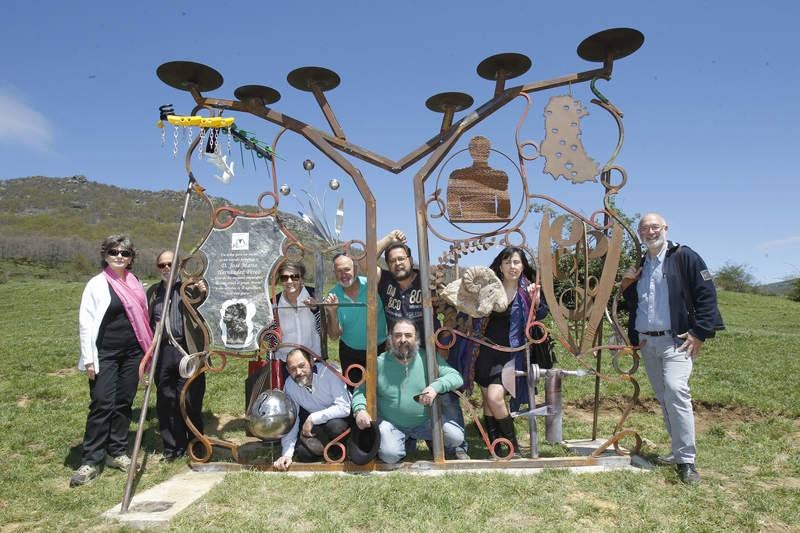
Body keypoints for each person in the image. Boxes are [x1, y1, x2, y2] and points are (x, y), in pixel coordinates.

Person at [622, 213, 723, 484]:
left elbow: (706, 295)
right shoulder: (641, 264)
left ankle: (687, 462)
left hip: (676, 340)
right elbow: (635, 304)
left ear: (665, 228)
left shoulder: (684, 257)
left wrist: (699, 332)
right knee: (664, 396)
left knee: (676, 390)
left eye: (655, 227)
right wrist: (627, 285)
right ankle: (677, 451)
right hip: (647, 342)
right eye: (644, 228)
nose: (650, 231)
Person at [374, 229, 469, 459]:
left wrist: (444, 345)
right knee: (402, 391)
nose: (397, 264)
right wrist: (389, 239)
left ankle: (457, 447)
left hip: (429, 349)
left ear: (410, 259)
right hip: (398, 348)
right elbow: (364, 261)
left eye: (401, 258)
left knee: (445, 393)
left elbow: (449, 313)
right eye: (392, 260)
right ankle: (407, 436)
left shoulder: (426, 282)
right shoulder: (384, 280)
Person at [71, 235, 153, 487]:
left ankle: (116, 451)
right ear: (105, 254)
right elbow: (86, 323)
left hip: (132, 353)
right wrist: (88, 359)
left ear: (131, 258)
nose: (119, 256)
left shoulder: (136, 283)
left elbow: (143, 317)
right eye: (114, 251)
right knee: (102, 404)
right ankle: (90, 459)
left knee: (123, 403)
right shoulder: (96, 284)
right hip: (104, 353)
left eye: (125, 253)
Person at [460, 246, 549, 458]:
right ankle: (495, 447)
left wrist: (535, 300)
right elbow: (471, 311)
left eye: (516, 262)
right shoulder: (490, 287)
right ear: (500, 266)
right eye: (507, 262)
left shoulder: (528, 289)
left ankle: (512, 446)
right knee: (488, 402)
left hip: (511, 354)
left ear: (523, 266)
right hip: (484, 352)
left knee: (495, 397)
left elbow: (541, 314)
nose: (512, 266)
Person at [351, 319, 466, 464]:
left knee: (456, 437)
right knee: (390, 456)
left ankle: (428, 442)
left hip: (425, 422)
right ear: (391, 339)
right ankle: (401, 442)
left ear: (416, 338)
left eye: (408, 335)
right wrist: (360, 410)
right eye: (397, 335)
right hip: (391, 423)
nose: (403, 340)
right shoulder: (379, 363)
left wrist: (435, 387)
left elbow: (456, 377)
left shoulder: (427, 358)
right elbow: (360, 390)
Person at [146, 250, 206, 462]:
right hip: (163, 352)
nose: (166, 269)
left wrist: (204, 292)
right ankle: (173, 447)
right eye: (162, 265)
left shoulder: (191, 289)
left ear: (179, 267)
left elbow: (207, 308)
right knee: (166, 401)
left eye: (171, 264)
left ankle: (197, 444)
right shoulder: (153, 292)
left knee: (190, 400)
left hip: (187, 351)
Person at [273, 349, 352, 471]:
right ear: (287, 370)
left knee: (335, 427)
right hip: (321, 425)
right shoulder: (289, 385)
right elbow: (292, 419)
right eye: (293, 369)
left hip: (343, 420)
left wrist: (312, 418)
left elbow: (344, 407)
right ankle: (332, 451)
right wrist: (286, 454)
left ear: (311, 362)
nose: (298, 372)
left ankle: (348, 446)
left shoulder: (328, 372)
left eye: (302, 366)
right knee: (304, 454)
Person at [321, 253, 387, 389]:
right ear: (334, 273)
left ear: (355, 270)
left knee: (381, 392)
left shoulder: (373, 285)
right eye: (339, 271)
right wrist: (332, 312)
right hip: (351, 353)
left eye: (347, 269)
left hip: (380, 350)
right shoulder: (333, 295)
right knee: (355, 392)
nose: (343, 274)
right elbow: (334, 335)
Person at [274, 261, 321, 361]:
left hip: (312, 360)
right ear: (280, 281)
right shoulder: (274, 303)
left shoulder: (315, 295)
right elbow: (271, 341)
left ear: (301, 279)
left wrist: (316, 310)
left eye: (294, 277)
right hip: (284, 361)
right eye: (284, 277)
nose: (289, 281)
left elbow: (324, 331)